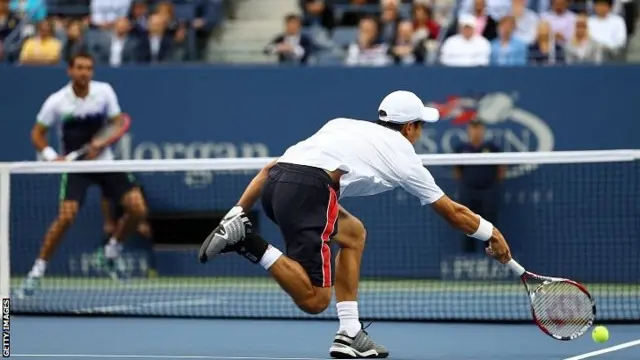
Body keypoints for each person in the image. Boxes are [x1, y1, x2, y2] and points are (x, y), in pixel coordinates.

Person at [199, 90, 513, 359]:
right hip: (310, 191)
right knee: (315, 300)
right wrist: (492, 232)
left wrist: (237, 212)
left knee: (353, 234)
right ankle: (248, 242)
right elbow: (453, 212)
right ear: (409, 128)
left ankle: (350, 332)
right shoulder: (404, 155)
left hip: (276, 183)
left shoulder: (342, 125)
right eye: (420, 126)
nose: (421, 133)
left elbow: (271, 167)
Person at [18, 52, 147, 297]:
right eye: (79, 68)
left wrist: (102, 142)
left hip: (105, 162)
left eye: (88, 68)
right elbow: (37, 134)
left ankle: (111, 251)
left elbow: (119, 122)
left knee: (138, 208)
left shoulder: (104, 92)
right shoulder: (56, 101)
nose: (84, 72)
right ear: (70, 71)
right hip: (75, 167)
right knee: (66, 217)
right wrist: (50, 156)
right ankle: (36, 272)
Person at [454, 119, 505, 254]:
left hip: (488, 192)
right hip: (468, 193)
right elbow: (457, 170)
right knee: (468, 226)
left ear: (483, 130)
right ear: (468, 130)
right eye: (473, 128)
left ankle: (490, 257)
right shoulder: (461, 148)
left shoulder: (493, 148)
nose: (476, 131)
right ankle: (468, 257)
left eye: (478, 128)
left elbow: (501, 169)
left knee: (489, 227)